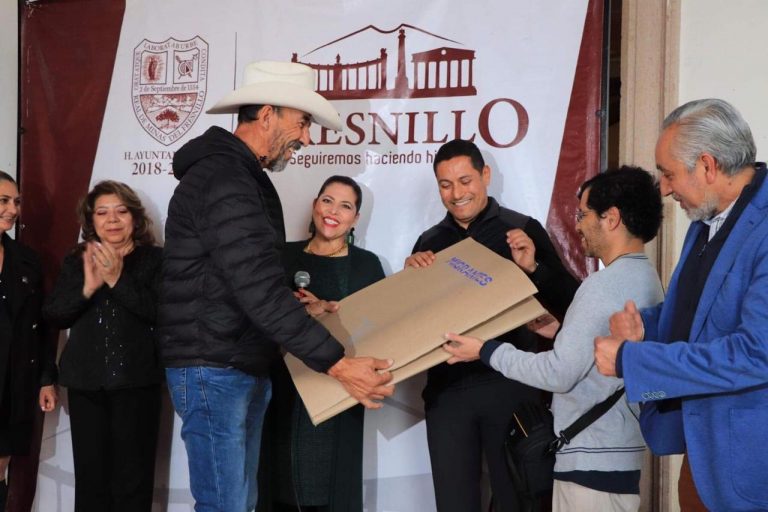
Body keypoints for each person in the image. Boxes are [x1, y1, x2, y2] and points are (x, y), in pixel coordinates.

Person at [158, 60, 393, 512]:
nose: (307, 138)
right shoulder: (226, 179)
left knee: (239, 505)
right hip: (215, 370)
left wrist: (302, 308)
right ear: (267, 115)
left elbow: (244, 280)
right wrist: (338, 364)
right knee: (226, 507)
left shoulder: (241, 177)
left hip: (235, 364)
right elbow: (255, 288)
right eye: (302, 122)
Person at [445, 167, 664, 511]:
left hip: (591, 465)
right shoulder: (645, 275)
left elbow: (558, 374)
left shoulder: (602, 286)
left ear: (611, 219)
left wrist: (486, 350)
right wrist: (561, 331)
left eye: (583, 214)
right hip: (615, 455)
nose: (578, 225)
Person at [594, 99, 768, 511]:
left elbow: (757, 352)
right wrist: (648, 327)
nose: (664, 188)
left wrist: (632, 360)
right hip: (704, 454)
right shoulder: (706, 220)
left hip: (750, 463)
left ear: (707, 165)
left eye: (669, 174)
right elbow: (702, 314)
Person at [405, 139, 580, 512]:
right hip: (448, 392)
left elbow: (571, 302)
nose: (457, 194)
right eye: (445, 185)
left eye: (465, 180)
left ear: (485, 175)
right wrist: (409, 281)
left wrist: (534, 267)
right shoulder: (429, 243)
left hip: (511, 385)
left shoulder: (522, 228)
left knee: (515, 499)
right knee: (453, 503)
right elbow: (413, 323)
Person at [258, 176, 385, 512]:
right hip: (282, 388)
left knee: (329, 487)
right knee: (279, 482)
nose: (333, 212)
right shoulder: (281, 256)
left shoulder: (366, 265)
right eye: (327, 201)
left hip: (340, 392)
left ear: (355, 218)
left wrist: (328, 314)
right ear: (315, 205)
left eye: (346, 206)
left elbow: (379, 331)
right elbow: (258, 316)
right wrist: (295, 312)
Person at [43, 180, 162, 512]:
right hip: (85, 385)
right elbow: (54, 314)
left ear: (135, 218)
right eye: (102, 212)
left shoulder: (155, 259)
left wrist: (117, 280)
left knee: (133, 480)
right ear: (91, 220)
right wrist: (87, 288)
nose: (112, 220)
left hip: (137, 383)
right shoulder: (77, 259)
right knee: (91, 480)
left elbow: (160, 312)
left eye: (121, 211)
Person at [0, 171, 56, 512]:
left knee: (0, 470)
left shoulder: (26, 260)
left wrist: (46, 378)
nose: (13, 209)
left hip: (13, 384)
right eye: (4, 201)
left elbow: (41, 325)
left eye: (16, 202)